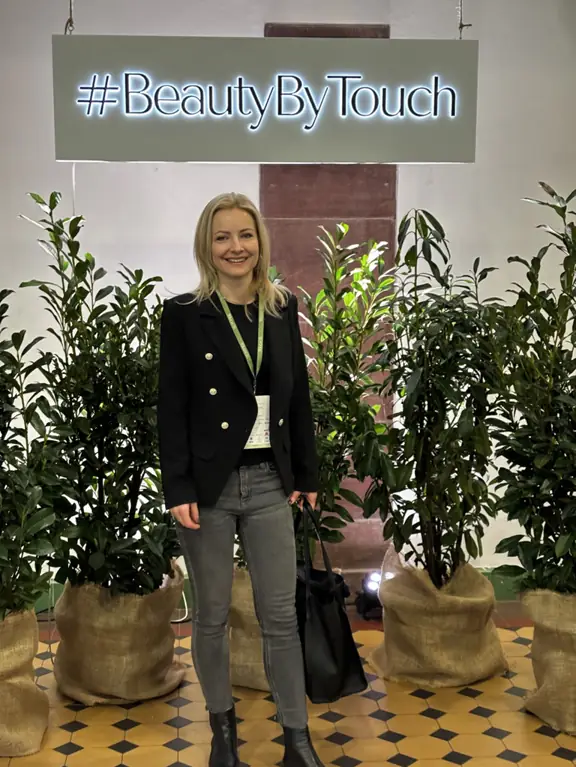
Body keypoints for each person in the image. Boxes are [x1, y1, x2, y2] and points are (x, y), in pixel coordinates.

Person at [157, 192, 324, 767]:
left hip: (270, 482)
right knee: (211, 616)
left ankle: (297, 740)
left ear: (260, 242)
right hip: (209, 487)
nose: (236, 247)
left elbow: (296, 398)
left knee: (280, 616)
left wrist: (306, 471)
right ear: (207, 245)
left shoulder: (280, 307)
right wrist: (178, 486)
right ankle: (223, 736)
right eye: (223, 236)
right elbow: (171, 408)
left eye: (245, 235)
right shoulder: (184, 314)